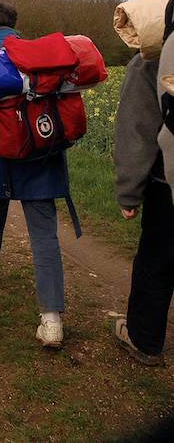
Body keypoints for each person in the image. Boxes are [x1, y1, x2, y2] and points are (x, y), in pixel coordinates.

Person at [0, 0, 74, 348]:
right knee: (44, 236)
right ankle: (52, 321)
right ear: (13, 25)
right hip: (42, 155)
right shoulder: (38, 55)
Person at [113, 37, 174, 365]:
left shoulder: (154, 53)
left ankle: (144, 339)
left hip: (169, 183)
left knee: (158, 260)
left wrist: (129, 191)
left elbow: (137, 129)